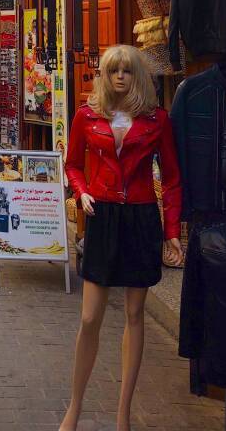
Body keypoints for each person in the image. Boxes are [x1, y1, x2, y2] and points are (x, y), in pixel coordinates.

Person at [61, 45, 183, 431]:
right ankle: (74, 408)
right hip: (103, 216)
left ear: (137, 77)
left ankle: (123, 414)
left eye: (127, 71)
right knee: (89, 316)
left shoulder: (156, 120)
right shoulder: (87, 116)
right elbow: (73, 164)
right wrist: (80, 191)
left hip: (141, 218)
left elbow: (174, 179)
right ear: (104, 75)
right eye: (112, 70)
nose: (119, 77)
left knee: (134, 315)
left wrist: (172, 233)